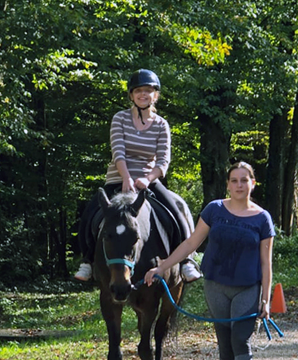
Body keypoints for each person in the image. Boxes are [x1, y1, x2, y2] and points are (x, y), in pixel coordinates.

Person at [74, 69, 202, 283]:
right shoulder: (120, 118)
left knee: (176, 214)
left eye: (149, 91)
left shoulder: (161, 124)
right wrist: (125, 177)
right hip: (118, 180)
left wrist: (148, 179)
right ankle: (87, 261)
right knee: (89, 215)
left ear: (155, 95)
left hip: (148, 182)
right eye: (139, 91)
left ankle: (186, 261)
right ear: (131, 95)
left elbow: (163, 160)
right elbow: (118, 151)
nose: (144, 94)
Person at [144, 161, 276, 360]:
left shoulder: (262, 218)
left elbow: (266, 263)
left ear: (253, 183)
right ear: (228, 185)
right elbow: (190, 244)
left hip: (247, 288)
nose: (239, 185)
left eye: (244, 180)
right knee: (224, 343)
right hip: (215, 286)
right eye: (234, 181)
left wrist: (266, 301)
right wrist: (162, 267)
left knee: (240, 339)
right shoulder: (214, 210)